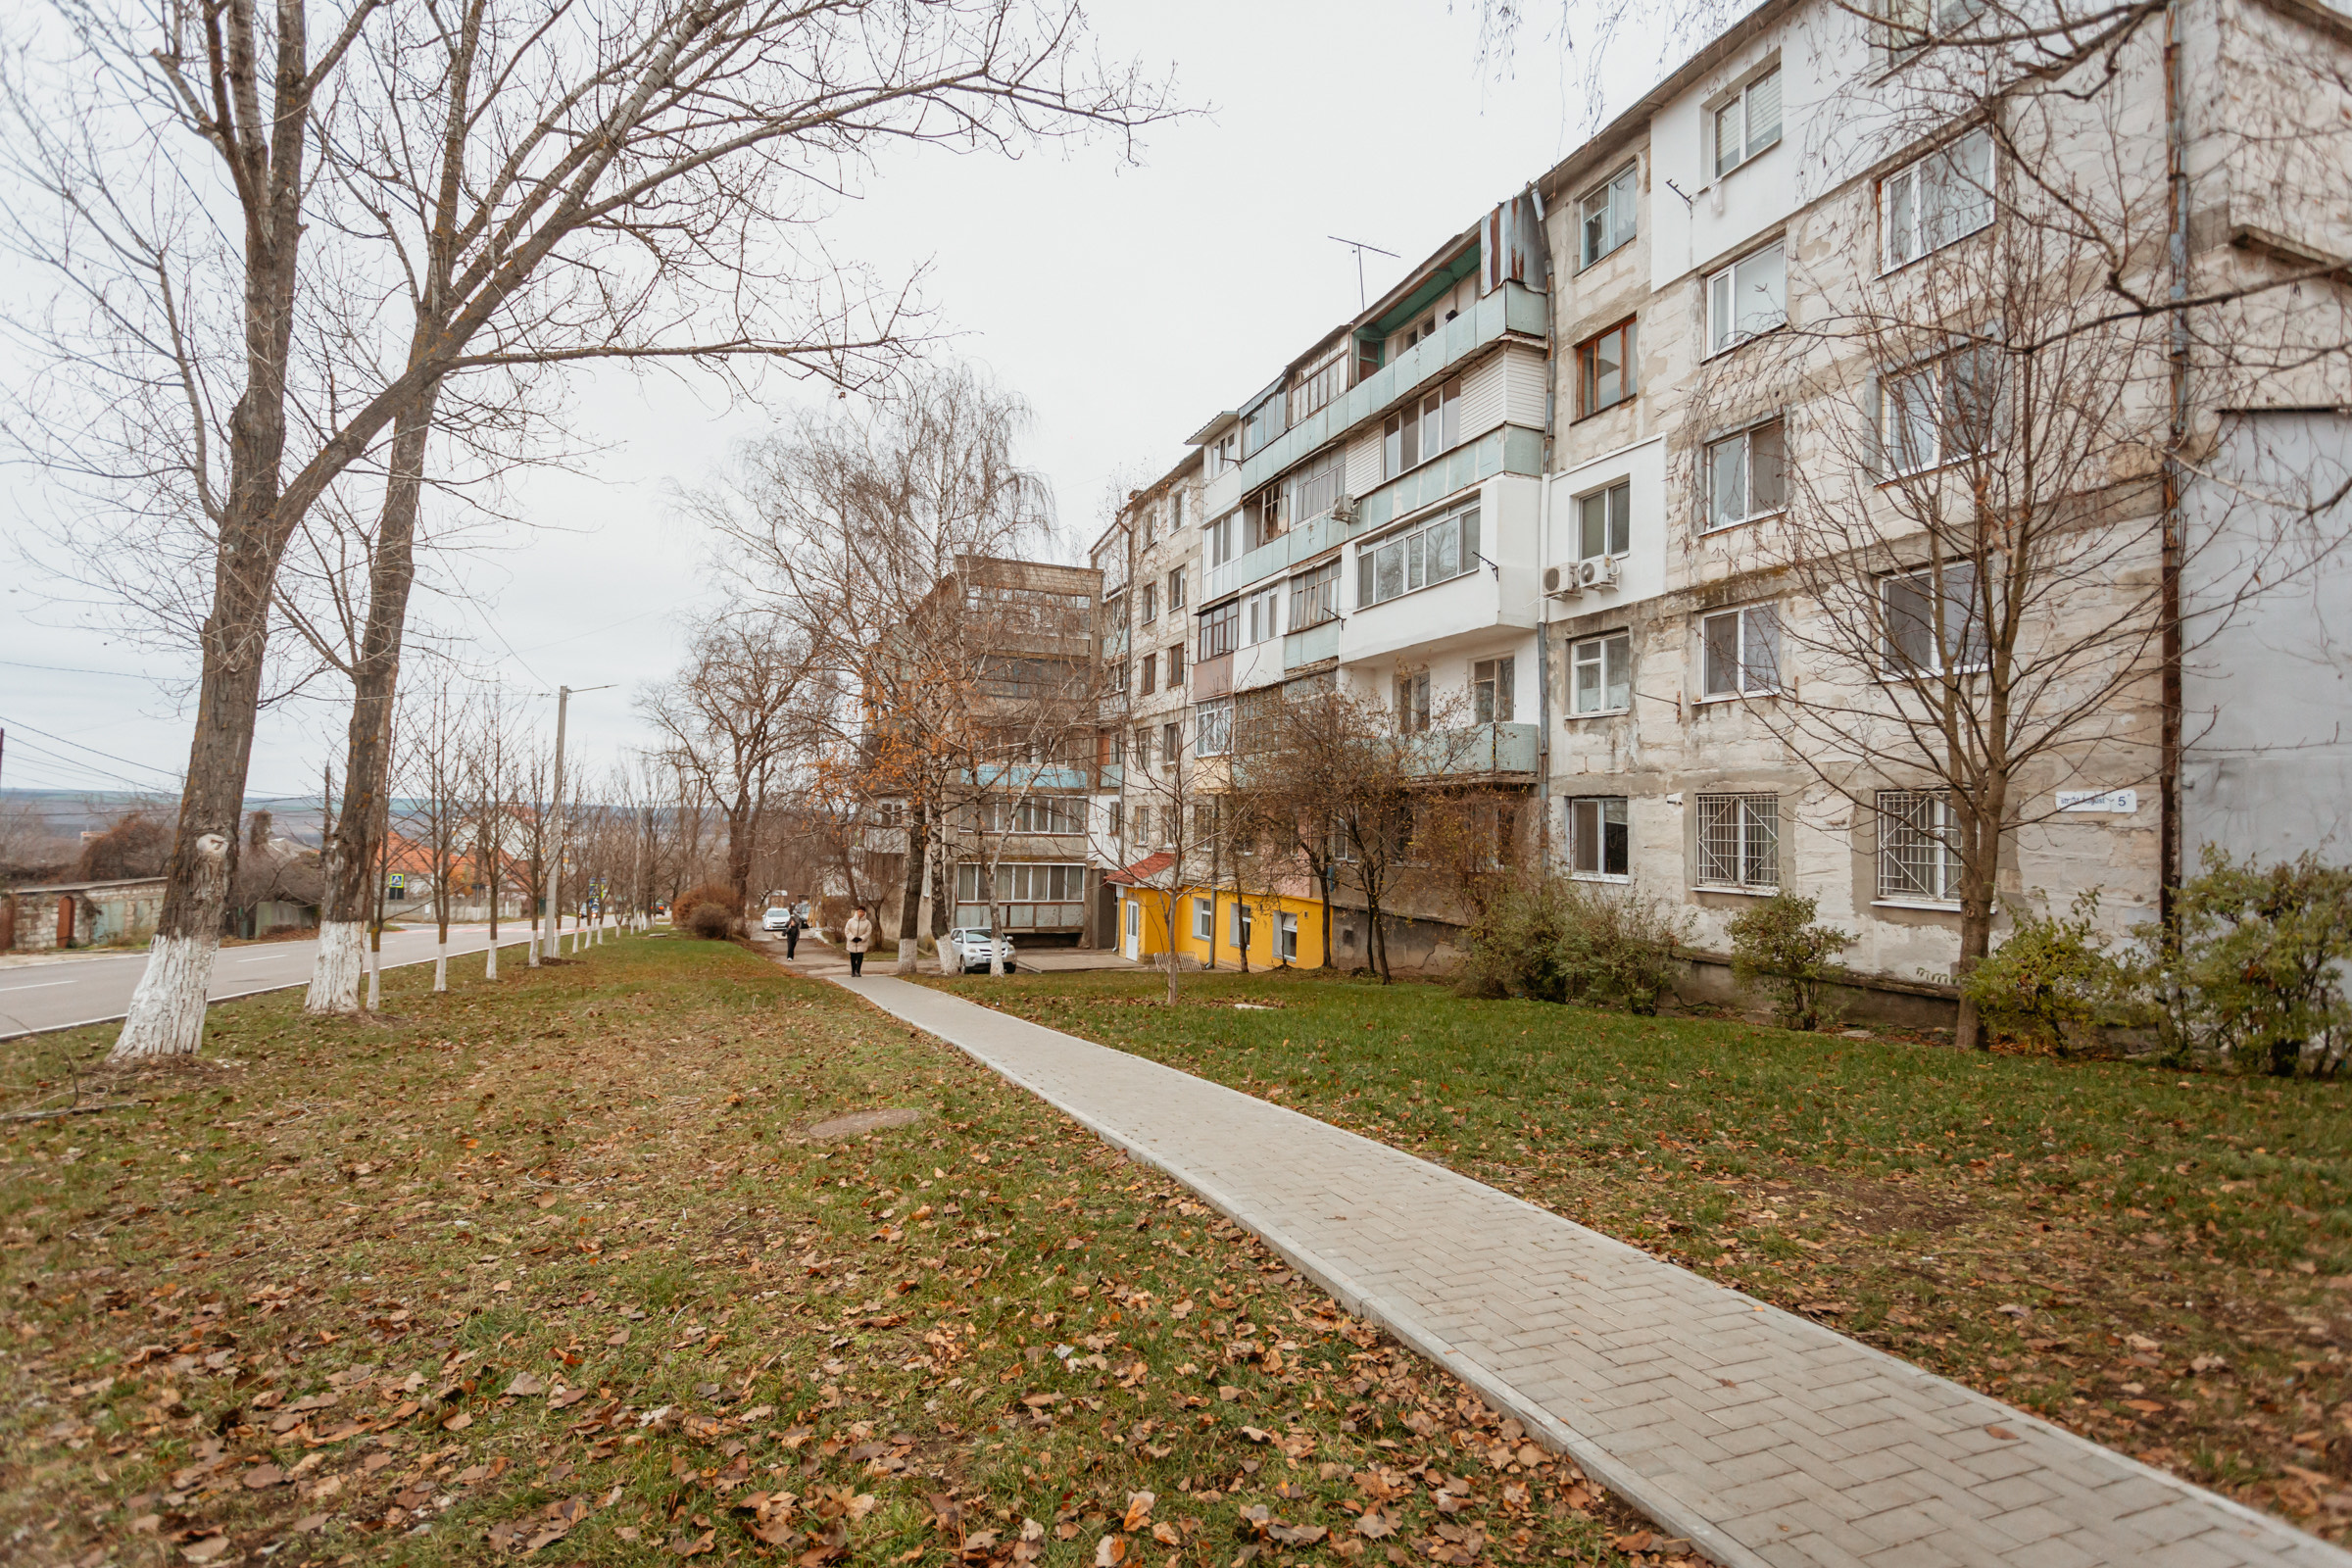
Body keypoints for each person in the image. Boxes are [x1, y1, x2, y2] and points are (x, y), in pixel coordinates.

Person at [843, 905, 873, 978]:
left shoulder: (867, 923)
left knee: (860, 956)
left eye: (862, 912)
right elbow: (847, 930)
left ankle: (858, 971)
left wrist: (861, 938)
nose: (860, 913)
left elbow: (868, 932)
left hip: (862, 942)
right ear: (857, 912)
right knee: (853, 957)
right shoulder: (851, 921)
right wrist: (852, 938)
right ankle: (853, 971)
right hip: (852, 942)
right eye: (859, 911)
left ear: (864, 913)